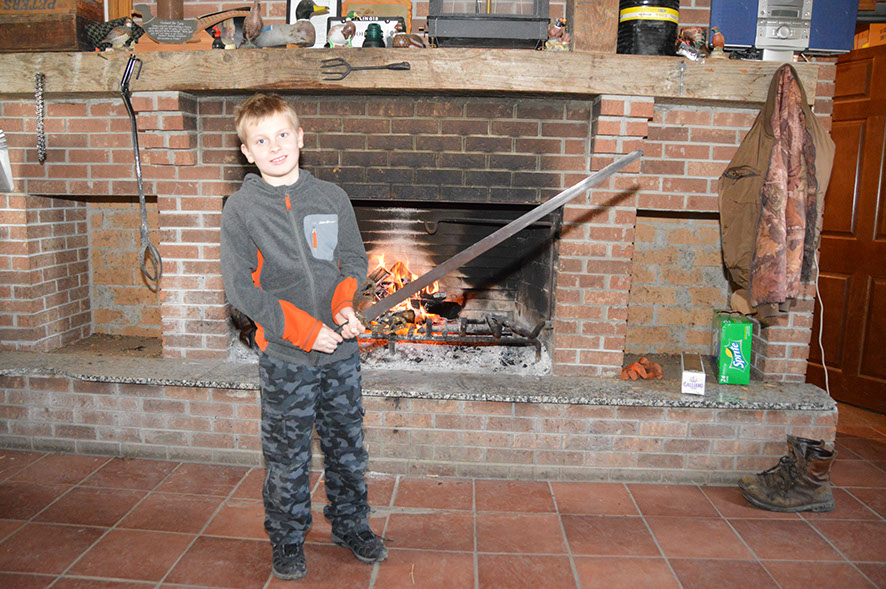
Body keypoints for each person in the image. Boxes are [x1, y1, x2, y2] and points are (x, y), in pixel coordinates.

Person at [220, 93, 386, 581]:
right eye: (261, 140)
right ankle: (288, 537)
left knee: (347, 448)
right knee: (287, 456)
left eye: (282, 135)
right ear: (246, 152)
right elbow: (241, 289)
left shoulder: (332, 197)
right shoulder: (241, 210)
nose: (275, 147)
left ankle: (351, 524)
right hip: (286, 358)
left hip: (341, 355)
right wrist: (305, 331)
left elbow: (352, 261)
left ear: (301, 138)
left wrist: (343, 306)